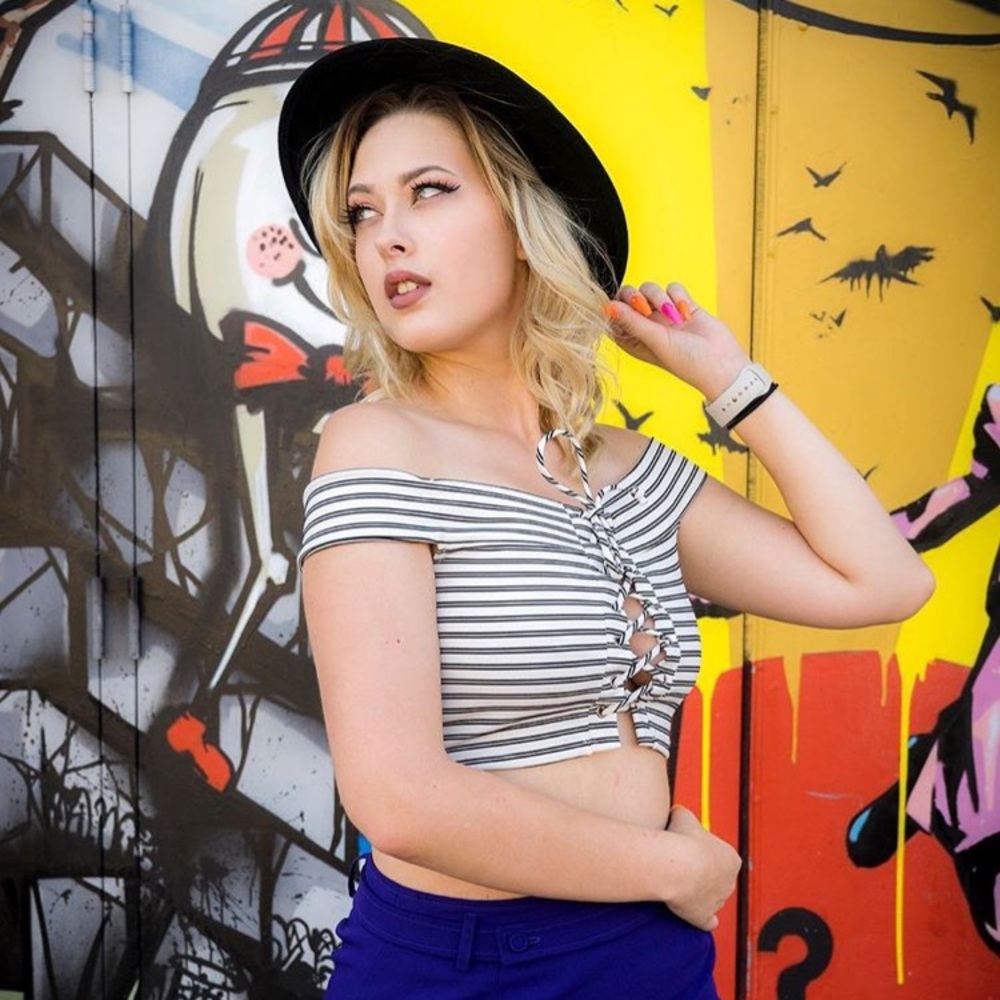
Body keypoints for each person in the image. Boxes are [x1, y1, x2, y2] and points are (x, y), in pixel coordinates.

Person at [278, 37, 934, 999]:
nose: (387, 238)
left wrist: (730, 380)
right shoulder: (375, 444)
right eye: (361, 213)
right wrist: (679, 868)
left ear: (523, 220)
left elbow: (883, 582)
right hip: (468, 965)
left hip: (651, 954)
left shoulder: (623, 469)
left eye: (429, 192)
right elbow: (399, 800)